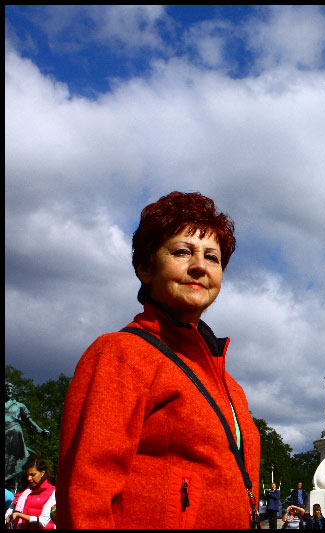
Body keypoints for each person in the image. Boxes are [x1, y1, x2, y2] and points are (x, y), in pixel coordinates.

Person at [57, 191, 260, 528]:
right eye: (182, 252)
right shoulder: (119, 354)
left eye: (213, 257)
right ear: (145, 268)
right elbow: (86, 494)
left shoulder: (231, 386)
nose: (199, 265)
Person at [5, 382, 50, 487]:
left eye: (11, 389)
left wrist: (40, 431)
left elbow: (29, 421)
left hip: (14, 435)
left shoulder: (19, 405)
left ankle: (12, 486)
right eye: (7, 388)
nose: (9, 391)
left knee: (13, 462)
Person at [5, 457, 56, 529]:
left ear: (42, 473)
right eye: (27, 475)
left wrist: (19, 515)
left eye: (32, 475)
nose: (29, 478)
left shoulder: (52, 492)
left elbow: (43, 522)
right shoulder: (23, 492)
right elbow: (9, 513)